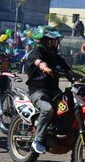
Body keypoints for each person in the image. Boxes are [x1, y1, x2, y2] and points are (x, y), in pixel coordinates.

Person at [26, 26, 71, 154]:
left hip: (54, 92)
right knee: (47, 109)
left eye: (55, 41)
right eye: (50, 41)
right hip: (38, 91)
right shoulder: (34, 53)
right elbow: (39, 63)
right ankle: (38, 140)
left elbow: (69, 71)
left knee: (68, 108)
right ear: (42, 42)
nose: (54, 44)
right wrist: (45, 68)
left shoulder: (57, 57)